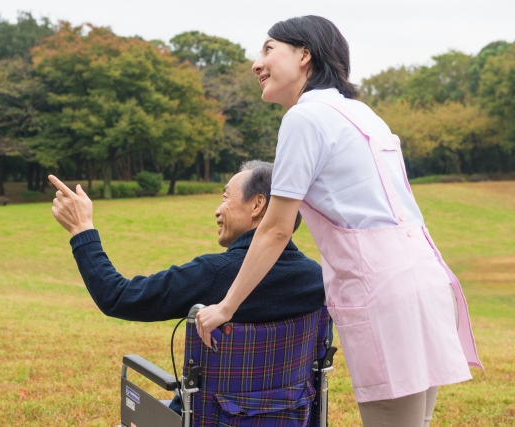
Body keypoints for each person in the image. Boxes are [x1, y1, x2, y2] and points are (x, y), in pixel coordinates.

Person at [195, 15, 482, 427]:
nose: (257, 64)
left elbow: (275, 228)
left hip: (384, 290)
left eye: (268, 49)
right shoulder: (363, 114)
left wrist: (226, 306)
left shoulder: (304, 118)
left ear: (304, 54)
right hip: (425, 280)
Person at [47, 160, 324, 324]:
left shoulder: (214, 274)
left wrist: (82, 229)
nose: (217, 210)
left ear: (257, 205)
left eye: (226, 198)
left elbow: (117, 297)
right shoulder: (316, 279)